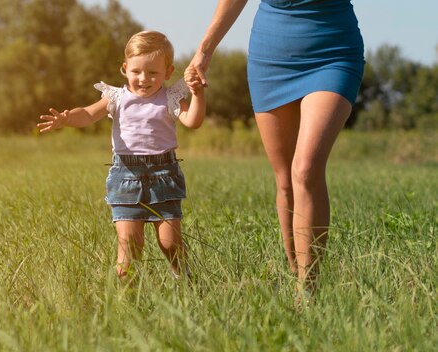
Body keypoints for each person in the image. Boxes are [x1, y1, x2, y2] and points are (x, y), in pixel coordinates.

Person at [185, 0, 364, 296]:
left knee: (305, 169)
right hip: (272, 56)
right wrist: (205, 50)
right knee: (285, 181)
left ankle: (307, 292)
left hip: (333, 50)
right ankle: (295, 272)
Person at [38, 30, 206, 282]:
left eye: (153, 73)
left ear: (168, 73)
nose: (144, 78)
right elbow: (87, 113)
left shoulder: (169, 98)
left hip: (164, 176)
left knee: (169, 243)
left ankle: (186, 283)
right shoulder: (116, 98)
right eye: (136, 71)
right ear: (125, 68)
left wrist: (198, 95)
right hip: (125, 177)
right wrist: (66, 119)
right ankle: (127, 300)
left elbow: (192, 121)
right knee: (130, 245)